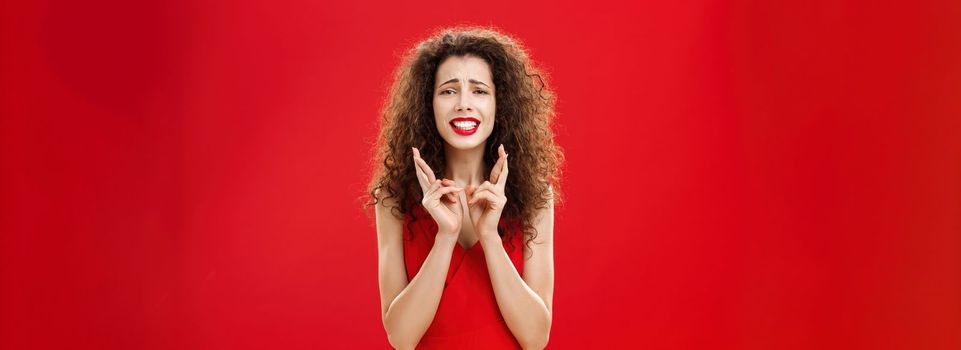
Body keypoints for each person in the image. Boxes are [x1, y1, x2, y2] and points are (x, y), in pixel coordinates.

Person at [366, 26, 563, 349]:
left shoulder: (536, 197)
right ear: (427, 104)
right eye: (448, 91)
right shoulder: (392, 199)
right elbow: (401, 338)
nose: (463, 104)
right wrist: (445, 237)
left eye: (479, 91)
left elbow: (536, 338)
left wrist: (490, 237)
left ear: (501, 104)